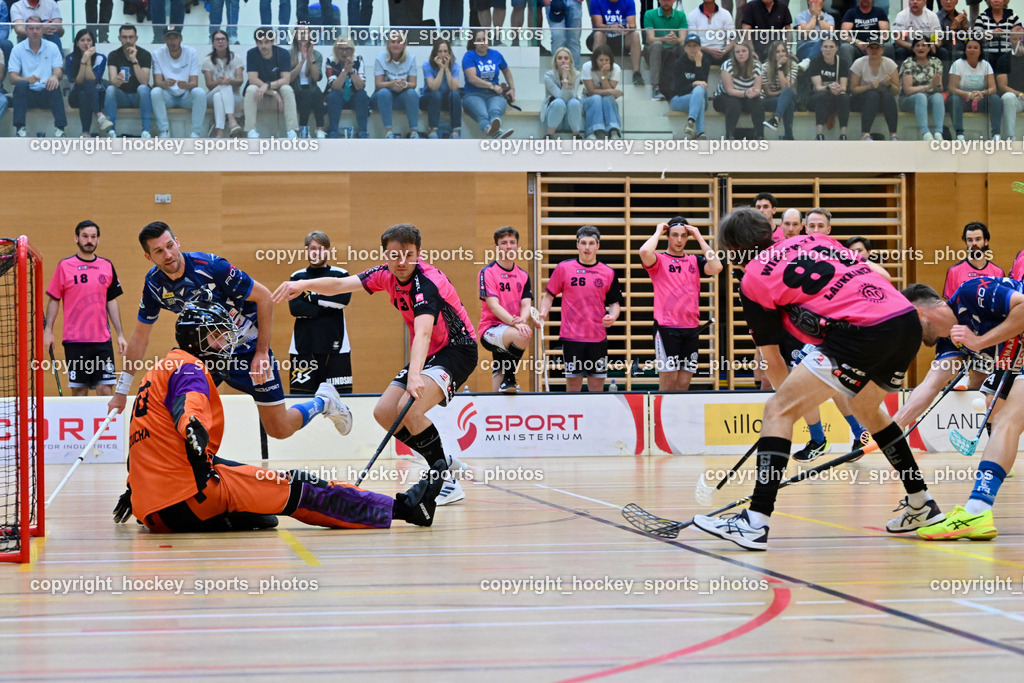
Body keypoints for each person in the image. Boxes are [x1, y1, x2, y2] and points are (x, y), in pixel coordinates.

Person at [691, 208, 942, 551]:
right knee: (867, 409)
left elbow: (773, 360)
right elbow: (872, 274)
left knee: (776, 410)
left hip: (861, 330)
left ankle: (755, 521)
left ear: (734, 250)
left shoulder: (752, 281)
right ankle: (921, 502)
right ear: (772, 230)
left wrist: (786, 409)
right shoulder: (816, 239)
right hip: (903, 319)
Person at [113, 299, 445, 534]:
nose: (225, 343)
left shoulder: (156, 372)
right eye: (217, 335)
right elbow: (188, 407)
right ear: (195, 338)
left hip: (153, 510)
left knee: (258, 505)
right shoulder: (191, 368)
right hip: (189, 498)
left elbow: (143, 441)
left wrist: (134, 489)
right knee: (301, 487)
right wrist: (192, 427)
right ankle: (404, 509)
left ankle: (238, 513)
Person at [272, 223, 479, 506]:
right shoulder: (386, 275)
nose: (401, 262)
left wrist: (415, 376)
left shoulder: (427, 283)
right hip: (431, 353)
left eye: (408, 255)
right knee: (384, 412)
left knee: (411, 407)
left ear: (418, 253)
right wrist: (302, 284)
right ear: (386, 255)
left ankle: (444, 480)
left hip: (457, 350)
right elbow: (341, 285)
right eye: (394, 255)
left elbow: (423, 333)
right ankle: (444, 460)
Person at [108, 222, 352, 443]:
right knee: (177, 412)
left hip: (248, 349)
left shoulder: (213, 267)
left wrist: (261, 353)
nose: (168, 254)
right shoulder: (154, 285)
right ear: (148, 256)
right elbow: (140, 337)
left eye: (170, 245)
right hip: (206, 357)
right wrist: (121, 391)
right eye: (159, 251)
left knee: (279, 428)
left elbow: (265, 297)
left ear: (177, 242)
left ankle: (324, 401)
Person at [895, 280, 1024, 541]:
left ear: (917, 312)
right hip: (1015, 366)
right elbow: (931, 385)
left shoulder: (970, 292)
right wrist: (892, 428)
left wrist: (980, 341)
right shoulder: (949, 343)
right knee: (1002, 418)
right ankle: (978, 510)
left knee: (1006, 421)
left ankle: (977, 511)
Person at [43, 221, 127, 397]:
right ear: (77, 238)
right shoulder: (65, 266)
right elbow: (54, 300)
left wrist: (120, 334)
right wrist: (48, 331)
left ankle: (105, 418)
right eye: (85, 236)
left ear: (98, 240)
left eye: (93, 237)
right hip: (75, 342)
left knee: (105, 390)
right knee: (79, 391)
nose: (89, 240)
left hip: (102, 341)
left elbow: (111, 301)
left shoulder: (106, 265)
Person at [536, 225, 624, 393]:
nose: (587, 247)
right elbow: (548, 296)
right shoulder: (564, 268)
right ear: (577, 245)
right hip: (572, 338)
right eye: (583, 243)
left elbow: (614, 304)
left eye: (591, 243)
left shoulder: (608, 273)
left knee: (597, 387)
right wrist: (542, 314)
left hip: (598, 338)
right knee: (573, 387)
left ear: (598, 246)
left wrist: (612, 316)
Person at [639, 217, 722, 391]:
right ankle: (660, 411)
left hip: (691, 328)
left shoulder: (694, 260)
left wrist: (699, 237)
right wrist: (658, 232)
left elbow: (716, 266)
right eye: (675, 235)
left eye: (684, 236)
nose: (679, 240)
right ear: (668, 236)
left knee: (683, 384)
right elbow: (645, 251)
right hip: (667, 328)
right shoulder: (659, 260)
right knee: (668, 383)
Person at [288, 231, 353, 395]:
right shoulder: (297, 277)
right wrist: (326, 303)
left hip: (337, 347)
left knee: (339, 399)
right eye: (313, 249)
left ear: (328, 250)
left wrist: (310, 297)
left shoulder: (340, 275)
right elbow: (295, 308)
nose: (316, 252)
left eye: (321, 248)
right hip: (303, 347)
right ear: (307, 251)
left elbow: (342, 301)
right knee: (301, 400)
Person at [478, 226, 534, 393]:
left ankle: (501, 392)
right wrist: (516, 323)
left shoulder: (523, 275)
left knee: (499, 370)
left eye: (512, 242)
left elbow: (526, 304)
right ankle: (510, 378)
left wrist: (523, 319)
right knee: (523, 334)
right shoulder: (488, 272)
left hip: (512, 327)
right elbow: (493, 305)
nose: (508, 246)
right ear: (497, 247)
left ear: (517, 246)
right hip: (490, 329)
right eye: (504, 243)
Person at [8, 16, 65, 139]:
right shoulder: (17, 49)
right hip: (27, 95)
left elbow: (58, 71)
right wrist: (26, 79)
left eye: (38, 28)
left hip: (46, 93)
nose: (35, 31)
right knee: (21, 85)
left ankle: (60, 129)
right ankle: (20, 129)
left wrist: (54, 76)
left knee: (54, 84)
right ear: (26, 30)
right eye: (31, 28)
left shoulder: (52, 47)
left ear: (42, 30)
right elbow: (12, 78)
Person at [151, 26, 207, 139]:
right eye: (169, 38)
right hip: (168, 96)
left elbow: (194, 83)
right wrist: (164, 84)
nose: (172, 42)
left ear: (181, 38)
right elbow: (157, 82)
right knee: (155, 92)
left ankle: (195, 133)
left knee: (200, 93)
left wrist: (187, 86)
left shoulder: (191, 52)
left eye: (175, 38)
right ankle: (164, 131)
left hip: (186, 95)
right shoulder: (157, 54)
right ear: (164, 40)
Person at [244, 27, 299, 140]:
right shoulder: (251, 54)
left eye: (266, 42)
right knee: (251, 88)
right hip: (260, 95)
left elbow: (286, 79)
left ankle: (291, 130)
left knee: (287, 88)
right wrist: (273, 92)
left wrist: (267, 85)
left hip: (278, 95)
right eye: (260, 43)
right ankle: (251, 130)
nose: (263, 46)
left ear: (272, 42)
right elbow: (252, 79)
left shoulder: (283, 54)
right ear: (256, 43)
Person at [462, 29, 517, 139]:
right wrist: (492, 86)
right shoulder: (469, 56)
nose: (482, 42)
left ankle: (495, 131)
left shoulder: (496, 54)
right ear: (474, 42)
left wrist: (512, 88)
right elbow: (472, 79)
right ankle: (491, 130)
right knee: (482, 114)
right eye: (479, 40)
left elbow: (506, 71)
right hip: (473, 94)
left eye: (485, 39)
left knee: (495, 112)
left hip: (494, 94)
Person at [949, 38, 1004, 140]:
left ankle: (996, 135)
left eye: (975, 48)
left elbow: (993, 88)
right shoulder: (957, 64)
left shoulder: (985, 64)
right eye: (969, 47)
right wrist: (968, 94)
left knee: (995, 98)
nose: (972, 50)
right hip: (963, 101)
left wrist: (982, 93)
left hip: (980, 100)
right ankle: (959, 135)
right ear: (965, 50)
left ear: (980, 51)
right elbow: (951, 88)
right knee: (953, 99)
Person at [105, 24, 153, 140]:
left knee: (144, 89)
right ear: (119, 38)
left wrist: (134, 60)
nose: (128, 41)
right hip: (122, 96)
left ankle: (146, 131)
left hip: (139, 97)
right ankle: (111, 131)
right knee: (110, 89)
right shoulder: (113, 55)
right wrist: (118, 80)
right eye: (124, 37)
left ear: (136, 38)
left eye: (131, 37)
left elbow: (144, 81)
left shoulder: (145, 54)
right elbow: (112, 82)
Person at [65, 28, 114, 138]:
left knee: (85, 92)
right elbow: (77, 81)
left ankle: (85, 133)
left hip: (96, 96)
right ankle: (99, 115)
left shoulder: (101, 58)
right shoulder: (70, 58)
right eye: (82, 40)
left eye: (89, 40)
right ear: (77, 43)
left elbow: (93, 79)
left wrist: (88, 60)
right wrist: (84, 60)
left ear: (93, 43)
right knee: (84, 86)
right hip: (74, 96)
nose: (86, 43)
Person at [849, 38, 900, 141]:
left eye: (877, 48)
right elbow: (853, 90)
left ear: (882, 50)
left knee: (888, 95)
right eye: (871, 48)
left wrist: (889, 84)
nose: (874, 50)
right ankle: (865, 134)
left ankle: (893, 134)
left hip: (882, 102)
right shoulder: (859, 63)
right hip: (861, 100)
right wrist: (869, 86)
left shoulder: (890, 64)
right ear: (867, 50)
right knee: (873, 94)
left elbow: (897, 91)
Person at [372, 32, 420, 139]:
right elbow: (378, 84)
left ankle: (414, 132)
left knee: (412, 93)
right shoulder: (380, 58)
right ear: (388, 44)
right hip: (382, 97)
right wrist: (392, 84)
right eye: (393, 42)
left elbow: (413, 84)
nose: (396, 45)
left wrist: (405, 84)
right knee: (384, 92)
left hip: (401, 96)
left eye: (399, 42)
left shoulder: (411, 58)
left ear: (404, 44)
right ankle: (388, 132)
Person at [713, 40, 765, 140]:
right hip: (724, 97)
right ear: (734, 54)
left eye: (744, 51)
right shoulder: (727, 65)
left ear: (749, 52)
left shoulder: (757, 66)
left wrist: (753, 92)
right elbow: (730, 90)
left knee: (758, 102)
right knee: (734, 104)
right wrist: (745, 93)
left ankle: (760, 136)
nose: (741, 54)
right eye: (737, 52)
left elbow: (758, 89)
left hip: (747, 96)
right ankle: (729, 136)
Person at [899, 37, 945, 141]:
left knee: (938, 96)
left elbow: (940, 88)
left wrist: (936, 85)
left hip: (929, 99)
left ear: (929, 48)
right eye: (917, 45)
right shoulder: (908, 63)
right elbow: (908, 90)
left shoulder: (936, 62)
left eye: (924, 45)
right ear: (913, 49)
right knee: (921, 97)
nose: (920, 48)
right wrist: (927, 87)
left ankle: (938, 133)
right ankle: (926, 133)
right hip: (908, 100)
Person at [666, 33, 710, 140]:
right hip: (679, 99)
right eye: (689, 46)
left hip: (698, 95)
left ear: (700, 47)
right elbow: (679, 90)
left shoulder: (705, 62)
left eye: (695, 46)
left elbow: (704, 83)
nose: (692, 49)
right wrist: (693, 84)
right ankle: (700, 133)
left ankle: (691, 122)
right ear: (685, 48)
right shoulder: (679, 63)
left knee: (700, 88)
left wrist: (698, 63)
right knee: (700, 97)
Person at [202, 30, 244, 139]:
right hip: (211, 95)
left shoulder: (236, 58)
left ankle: (219, 131)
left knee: (219, 95)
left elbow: (240, 81)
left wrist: (230, 81)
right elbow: (209, 85)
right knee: (223, 87)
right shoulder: (207, 60)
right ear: (213, 43)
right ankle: (231, 120)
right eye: (217, 39)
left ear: (227, 42)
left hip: (234, 97)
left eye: (223, 39)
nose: (220, 42)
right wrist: (219, 82)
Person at [325, 37, 370, 139]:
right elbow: (335, 86)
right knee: (333, 95)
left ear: (352, 50)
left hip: (354, 95)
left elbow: (361, 86)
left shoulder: (358, 60)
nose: (344, 52)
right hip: (337, 97)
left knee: (362, 95)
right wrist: (345, 71)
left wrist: (352, 71)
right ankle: (333, 131)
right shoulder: (330, 61)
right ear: (336, 50)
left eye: (347, 49)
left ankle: (362, 132)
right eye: (341, 49)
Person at [589, 0, 643, 84]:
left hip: (622, 39)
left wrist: (628, 27)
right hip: (603, 38)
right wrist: (611, 27)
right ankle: (596, 71)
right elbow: (597, 25)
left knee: (635, 35)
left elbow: (633, 24)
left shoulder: (629, 1)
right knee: (598, 34)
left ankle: (637, 73)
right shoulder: (596, 1)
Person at [642, 0, 687, 100]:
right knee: (657, 44)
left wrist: (676, 40)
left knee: (685, 45)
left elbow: (683, 39)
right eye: (663, 0)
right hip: (654, 50)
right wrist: (665, 39)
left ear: (674, 0)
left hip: (672, 49)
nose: (666, 2)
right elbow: (650, 39)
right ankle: (655, 87)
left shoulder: (681, 15)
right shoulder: (649, 14)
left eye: (669, 0)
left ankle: (685, 85)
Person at [808, 37, 850, 141]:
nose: (828, 50)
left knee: (844, 97)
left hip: (836, 95)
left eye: (831, 47)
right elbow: (818, 87)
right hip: (818, 97)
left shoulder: (842, 62)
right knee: (823, 95)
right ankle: (819, 134)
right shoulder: (815, 62)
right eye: (825, 47)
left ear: (837, 48)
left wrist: (837, 89)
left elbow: (844, 87)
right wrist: (828, 87)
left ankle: (843, 134)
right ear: (821, 48)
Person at [420, 38, 463, 139]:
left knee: (455, 95)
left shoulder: (455, 65)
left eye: (445, 51)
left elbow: (454, 87)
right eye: (440, 51)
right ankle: (433, 130)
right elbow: (433, 87)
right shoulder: (427, 65)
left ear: (449, 53)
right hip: (429, 99)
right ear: (435, 53)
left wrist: (446, 69)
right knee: (436, 94)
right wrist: (441, 69)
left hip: (446, 100)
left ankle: (456, 131)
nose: (443, 55)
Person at [290, 25, 327, 139]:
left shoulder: (317, 55)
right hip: (294, 89)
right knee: (306, 94)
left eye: (305, 33)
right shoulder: (289, 54)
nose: (303, 36)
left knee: (317, 93)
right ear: (295, 36)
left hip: (311, 88)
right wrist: (302, 61)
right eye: (300, 33)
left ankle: (320, 130)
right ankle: (303, 130)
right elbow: (289, 79)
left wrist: (310, 58)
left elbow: (316, 78)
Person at [582, 44, 624, 139]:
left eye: (606, 60)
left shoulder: (616, 68)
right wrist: (610, 91)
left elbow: (609, 92)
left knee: (608, 98)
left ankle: (613, 130)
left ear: (610, 60)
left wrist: (603, 75)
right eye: (601, 60)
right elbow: (591, 91)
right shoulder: (587, 66)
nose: (604, 63)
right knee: (596, 98)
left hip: (606, 100)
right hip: (589, 98)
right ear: (595, 60)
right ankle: (595, 130)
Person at [542, 46, 583, 138]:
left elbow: (572, 96)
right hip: (552, 118)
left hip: (570, 119)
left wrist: (568, 77)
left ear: (570, 61)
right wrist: (565, 79)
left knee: (574, 102)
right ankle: (549, 135)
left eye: (566, 58)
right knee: (559, 102)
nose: (563, 61)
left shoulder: (577, 75)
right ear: (555, 61)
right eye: (559, 58)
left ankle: (577, 135)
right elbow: (560, 97)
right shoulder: (548, 76)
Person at [762, 40, 796, 139]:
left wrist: (779, 68)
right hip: (768, 100)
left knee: (788, 97)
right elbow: (768, 92)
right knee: (788, 98)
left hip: (783, 100)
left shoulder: (793, 65)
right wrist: (783, 94)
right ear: (772, 54)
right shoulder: (764, 67)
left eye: (783, 51)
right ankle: (789, 136)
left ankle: (775, 119)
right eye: (777, 52)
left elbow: (785, 87)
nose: (781, 54)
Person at [686, 0, 735, 66]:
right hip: (703, 51)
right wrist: (710, 51)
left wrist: (724, 51)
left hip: (723, 51)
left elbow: (732, 39)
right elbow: (693, 41)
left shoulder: (726, 14)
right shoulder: (692, 15)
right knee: (692, 52)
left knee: (737, 53)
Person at [973, 0, 1022, 67]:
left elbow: (1020, 35)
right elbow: (975, 37)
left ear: (1004, 1)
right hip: (987, 56)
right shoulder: (982, 17)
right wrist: (991, 34)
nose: (996, 0)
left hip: (1008, 57)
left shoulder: (1013, 17)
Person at [997, 25, 1024, 139]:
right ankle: (1010, 136)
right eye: (1015, 39)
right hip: (1016, 99)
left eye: (1021, 39)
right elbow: (1002, 86)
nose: (1018, 42)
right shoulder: (1004, 59)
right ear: (1010, 40)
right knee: (1008, 97)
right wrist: (1020, 94)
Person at [547, 0, 585, 69]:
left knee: (574, 39)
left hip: (574, 2)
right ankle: (557, 71)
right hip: (554, 2)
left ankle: (574, 72)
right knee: (558, 37)